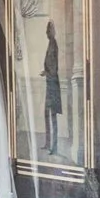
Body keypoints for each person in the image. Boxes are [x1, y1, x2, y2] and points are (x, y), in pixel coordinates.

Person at [39, 19, 63, 159]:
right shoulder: (50, 44)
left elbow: (54, 68)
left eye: (48, 30)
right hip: (50, 83)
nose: (47, 32)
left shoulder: (53, 44)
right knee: (47, 114)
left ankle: (54, 147)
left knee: (52, 116)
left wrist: (47, 73)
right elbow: (50, 66)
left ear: (52, 31)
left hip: (53, 85)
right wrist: (45, 71)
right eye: (47, 30)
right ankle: (49, 144)